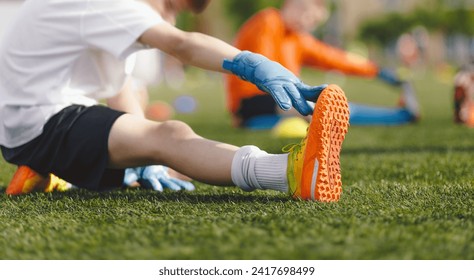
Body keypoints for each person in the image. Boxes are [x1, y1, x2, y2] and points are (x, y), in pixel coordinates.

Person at [0, 0, 350, 202]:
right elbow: (181, 45)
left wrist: (144, 156)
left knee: (160, 146)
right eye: (169, 6)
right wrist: (250, 64)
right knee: (171, 136)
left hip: (36, 121)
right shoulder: (108, 3)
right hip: (40, 122)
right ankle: (289, 173)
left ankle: (51, 174)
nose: (168, 18)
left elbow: (119, 89)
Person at [225, 0, 419, 130]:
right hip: (253, 99)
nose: (311, 26)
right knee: (327, 107)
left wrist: (378, 71)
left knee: (327, 106)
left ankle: (400, 116)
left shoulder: (296, 37)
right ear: (297, 5)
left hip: (273, 102)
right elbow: (262, 70)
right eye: (311, 18)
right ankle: (400, 117)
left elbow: (334, 58)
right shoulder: (269, 21)